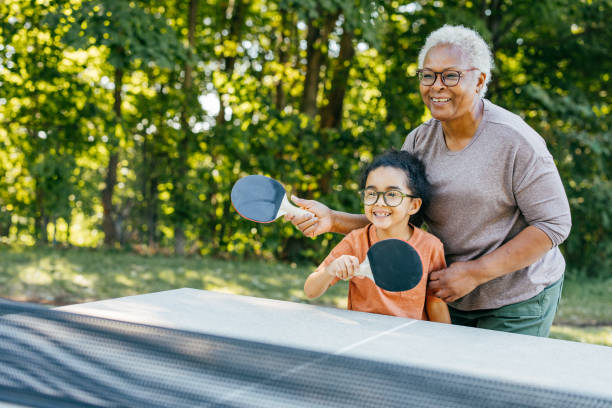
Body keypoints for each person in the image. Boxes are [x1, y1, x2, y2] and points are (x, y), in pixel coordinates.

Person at [289, 25, 571, 337]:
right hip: (445, 292)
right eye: (428, 75)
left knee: (496, 385)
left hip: (516, 297)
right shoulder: (419, 141)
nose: (437, 86)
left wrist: (475, 273)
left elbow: (553, 225)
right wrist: (333, 220)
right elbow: (401, 217)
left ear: (479, 80)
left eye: (450, 75)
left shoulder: (517, 142)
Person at [303, 150, 451, 323]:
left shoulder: (431, 247)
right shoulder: (355, 241)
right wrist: (330, 270)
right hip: (361, 334)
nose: (379, 202)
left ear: (414, 205)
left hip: (409, 340)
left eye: (392, 195)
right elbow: (310, 291)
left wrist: (446, 346)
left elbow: (436, 303)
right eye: (372, 193)